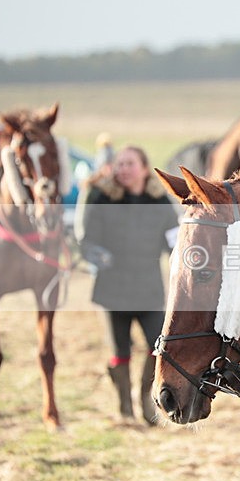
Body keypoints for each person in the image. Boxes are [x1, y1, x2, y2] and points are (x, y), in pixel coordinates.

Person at [77, 145, 179, 425]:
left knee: (157, 346)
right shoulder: (101, 198)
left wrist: (187, 263)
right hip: (112, 290)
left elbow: (175, 242)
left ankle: (145, 397)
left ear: (144, 169)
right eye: (119, 164)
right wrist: (97, 254)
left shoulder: (159, 202)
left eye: (129, 163)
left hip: (148, 290)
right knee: (120, 352)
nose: (123, 169)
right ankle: (124, 408)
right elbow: (85, 240)